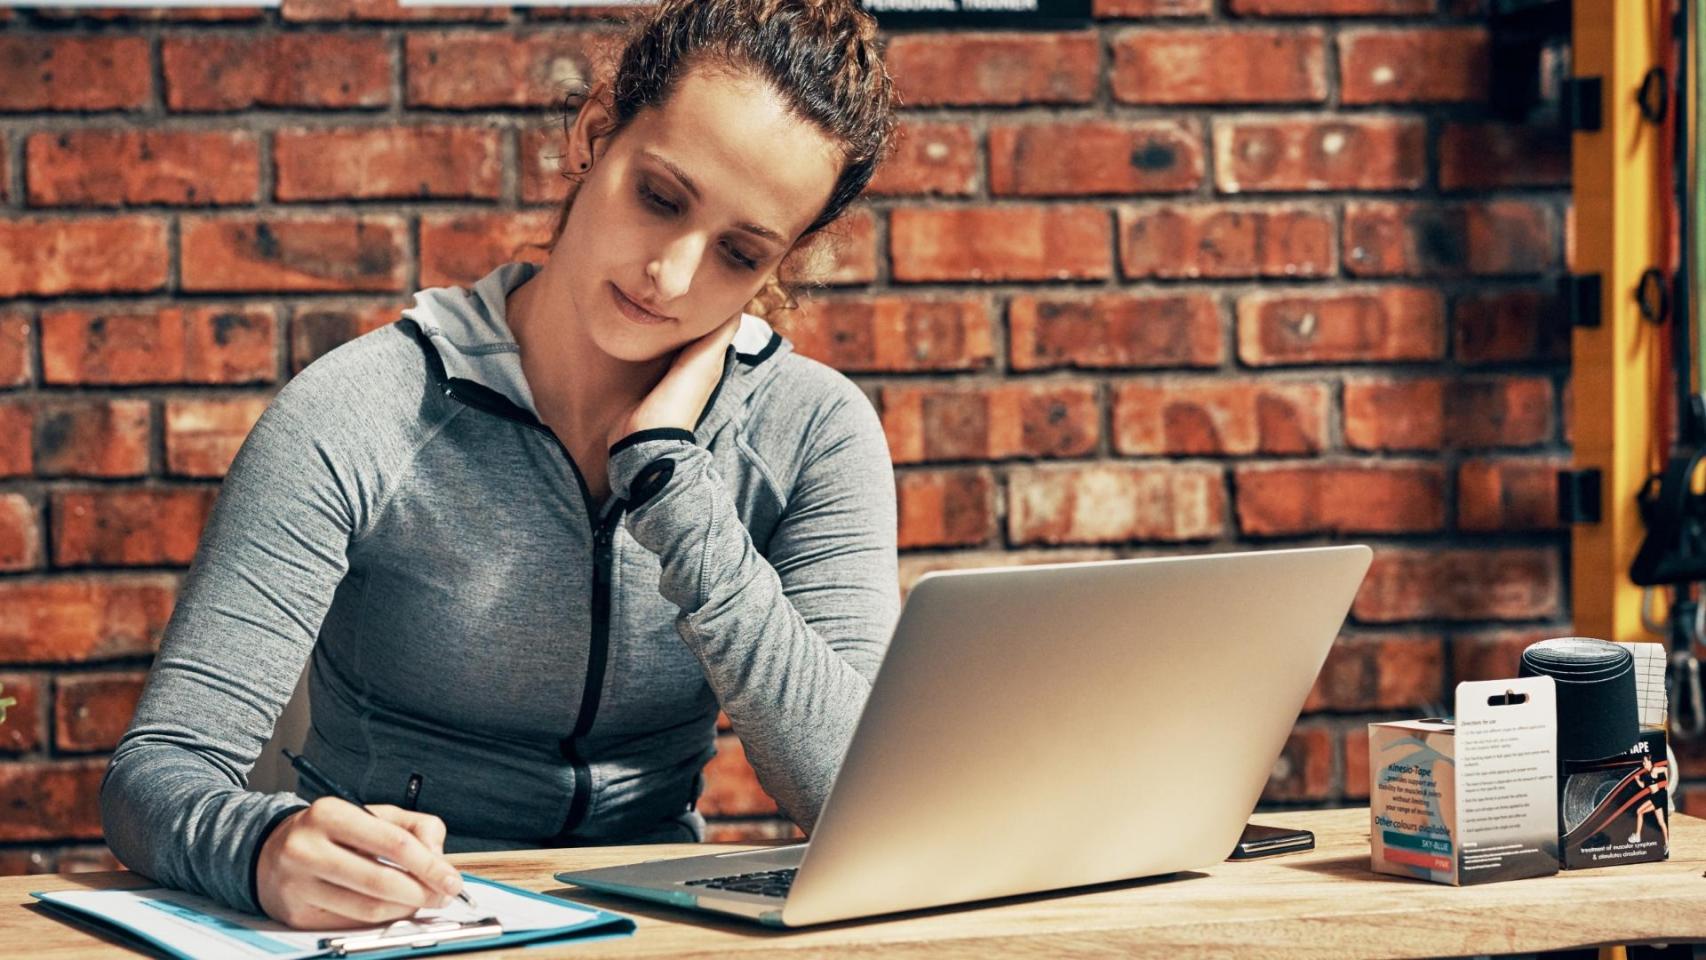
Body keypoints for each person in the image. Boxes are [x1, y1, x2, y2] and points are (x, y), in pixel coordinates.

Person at [99, 0, 899, 930]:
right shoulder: (361, 409)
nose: (671, 277)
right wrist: (263, 848)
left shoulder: (815, 432)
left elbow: (855, 799)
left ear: (783, 260)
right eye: (660, 198)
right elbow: (156, 771)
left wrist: (673, 481)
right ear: (595, 135)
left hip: (661, 934)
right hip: (394, 921)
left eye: (739, 251)